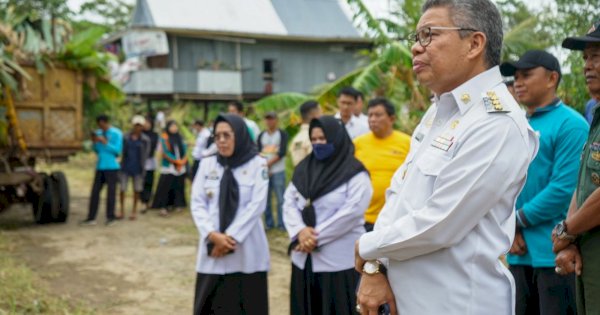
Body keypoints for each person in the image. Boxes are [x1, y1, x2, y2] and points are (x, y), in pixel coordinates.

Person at [354, 1, 539, 314]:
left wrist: (367, 246)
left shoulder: (496, 121)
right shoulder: (439, 111)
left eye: (429, 35)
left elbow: (442, 221)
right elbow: (399, 196)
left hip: (457, 303)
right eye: (416, 38)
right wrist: (376, 267)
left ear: (474, 44)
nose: (416, 48)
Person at [500, 50, 588, 315]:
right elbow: (505, 183)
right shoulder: (514, 125)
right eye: (515, 77)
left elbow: (562, 189)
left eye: (526, 75)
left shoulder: (571, 125)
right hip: (517, 252)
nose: (518, 82)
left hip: (555, 254)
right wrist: (510, 228)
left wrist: (514, 221)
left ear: (552, 79)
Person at [283, 115, 372, 315]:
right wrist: (299, 232)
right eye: (313, 139)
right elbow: (289, 202)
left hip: (338, 263)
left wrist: (313, 237)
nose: (317, 144)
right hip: (304, 259)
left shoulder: (355, 173)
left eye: (323, 139)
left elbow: (352, 212)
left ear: (336, 138)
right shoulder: (303, 169)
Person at [190, 114, 270, 315]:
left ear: (240, 135)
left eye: (227, 135)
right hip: (213, 248)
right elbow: (197, 203)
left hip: (246, 249)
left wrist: (230, 238)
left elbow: (257, 205)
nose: (222, 141)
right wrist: (212, 235)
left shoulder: (258, 164)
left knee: (247, 305)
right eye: (217, 136)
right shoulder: (207, 164)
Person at [553, 21, 600, 315]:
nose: (587, 65)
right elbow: (584, 183)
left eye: (596, 55)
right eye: (585, 58)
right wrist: (568, 239)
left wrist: (567, 231)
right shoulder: (595, 114)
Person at [353, 98, 411, 232]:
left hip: (396, 218)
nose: (372, 119)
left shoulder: (408, 143)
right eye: (370, 115)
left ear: (391, 119)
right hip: (364, 218)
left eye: (378, 115)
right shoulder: (358, 144)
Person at [81, 114, 123, 226]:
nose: (101, 128)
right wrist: (95, 143)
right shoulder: (98, 133)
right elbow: (97, 150)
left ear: (106, 123)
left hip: (112, 167)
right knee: (95, 192)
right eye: (99, 126)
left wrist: (105, 143)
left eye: (103, 125)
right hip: (100, 166)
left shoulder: (116, 133)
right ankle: (91, 217)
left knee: (111, 193)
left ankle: (111, 216)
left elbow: (117, 150)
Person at [257, 112, 289, 230]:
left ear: (276, 120)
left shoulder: (282, 134)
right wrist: (264, 166)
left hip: (278, 170)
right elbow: (259, 152)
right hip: (265, 171)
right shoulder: (261, 136)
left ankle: (282, 223)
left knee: (281, 198)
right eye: (267, 119)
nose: (270, 122)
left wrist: (268, 164)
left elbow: (282, 152)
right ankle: (269, 223)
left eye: (272, 119)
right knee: (266, 199)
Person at [118, 115, 152, 220]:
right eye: (136, 125)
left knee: (136, 190)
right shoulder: (126, 137)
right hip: (125, 166)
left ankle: (134, 211)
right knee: (122, 189)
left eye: (140, 126)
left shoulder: (145, 140)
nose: (138, 128)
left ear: (142, 127)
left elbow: (146, 154)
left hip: (138, 168)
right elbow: (121, 151)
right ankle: (122, 210)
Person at [151, 120, 188, 217]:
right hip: (169, 166)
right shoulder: (164, 137)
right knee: (165, 186)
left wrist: (183, 161)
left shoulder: (180, 137)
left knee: (178, 185)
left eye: (175, 126)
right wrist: (176, 161)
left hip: (180, 166)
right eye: (172, 126)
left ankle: (177, 204)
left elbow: (184, 150)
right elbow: (165, 152)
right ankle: (163, 206)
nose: (174, 128)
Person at [290, 100, 321, 166]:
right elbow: (300, 164)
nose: (322, 115)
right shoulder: (302, 139)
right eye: (320, 112)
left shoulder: (298, 138)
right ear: (314, 115)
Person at [141, 115, 159, 212]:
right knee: (141, 182)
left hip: (150, 161)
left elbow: (155, 148)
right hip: (140, 161)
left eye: (148, 123)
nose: (146, 125)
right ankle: (143, 201)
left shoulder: (154, 135)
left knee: (149, 181)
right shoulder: (140, 134)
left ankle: (147, 201)